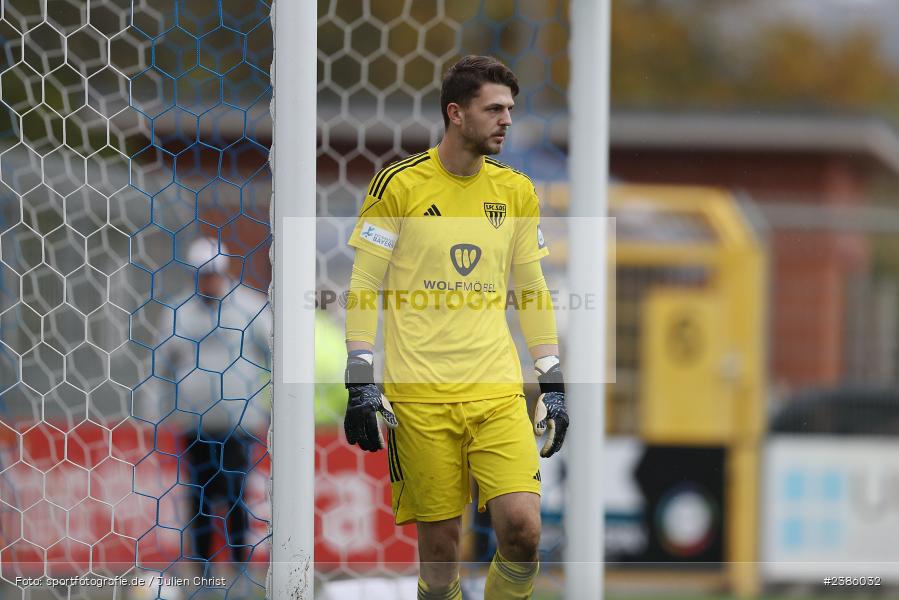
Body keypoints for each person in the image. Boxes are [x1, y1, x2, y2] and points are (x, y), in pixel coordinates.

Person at [343, 55, 569, 600]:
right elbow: (364, 283)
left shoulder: (516, 190)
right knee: (443, 555)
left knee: (523, 530)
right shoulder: (398, 185)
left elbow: (531, 287)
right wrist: (359, 374)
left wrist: (552, 376)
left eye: (510, 109)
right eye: (494, 109)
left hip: (497, 392)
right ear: (456, 113)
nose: (506, 120)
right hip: (420, 398)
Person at [156, 237, 270, 573]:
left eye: (214, 273)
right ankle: (203, 573)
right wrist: (156, 412)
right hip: (196, 425)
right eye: (203, 274)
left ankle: (240, 570)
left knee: (236, 495)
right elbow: (161, 365)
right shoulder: (178, 313)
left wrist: (274, 404)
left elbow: (275, 352)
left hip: (239, 423)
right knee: (199, 498)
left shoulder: (250, 307)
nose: (209, 280)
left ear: (226, 271)